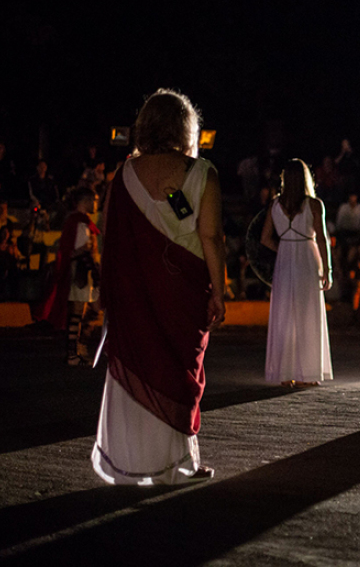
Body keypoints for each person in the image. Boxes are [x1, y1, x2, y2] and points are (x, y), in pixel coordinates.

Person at [92, 89, 226, 485]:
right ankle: (177, 464)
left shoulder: (124, 175)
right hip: (182, 292)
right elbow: (212, 238)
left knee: (139, 366)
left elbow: (109, 237)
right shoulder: (203, 174)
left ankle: (133, 461)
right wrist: (219, 291)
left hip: (134, 291)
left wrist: (106, 288)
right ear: (188, 129)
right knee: (179, 372)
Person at [261, 158, 333, 387]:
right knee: (308, 314)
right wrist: (327, 269)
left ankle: (285, 373)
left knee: (285, 316)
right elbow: (322, 239)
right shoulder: (314, 205)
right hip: (307, 260)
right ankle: (309, 373)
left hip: (285, 260)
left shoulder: (275, 205)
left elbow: (264, 238)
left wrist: (284, 248)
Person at [37, 187, 100, 364]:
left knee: (94, 309)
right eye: (93, 200)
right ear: (85, 201)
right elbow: (76, 252)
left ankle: (80, 345)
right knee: (77, 314)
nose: (96, 203)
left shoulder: (81, 222)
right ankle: (73, 354)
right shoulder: (77, 222)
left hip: (85, 272)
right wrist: (94, 270)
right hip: (80, 273)